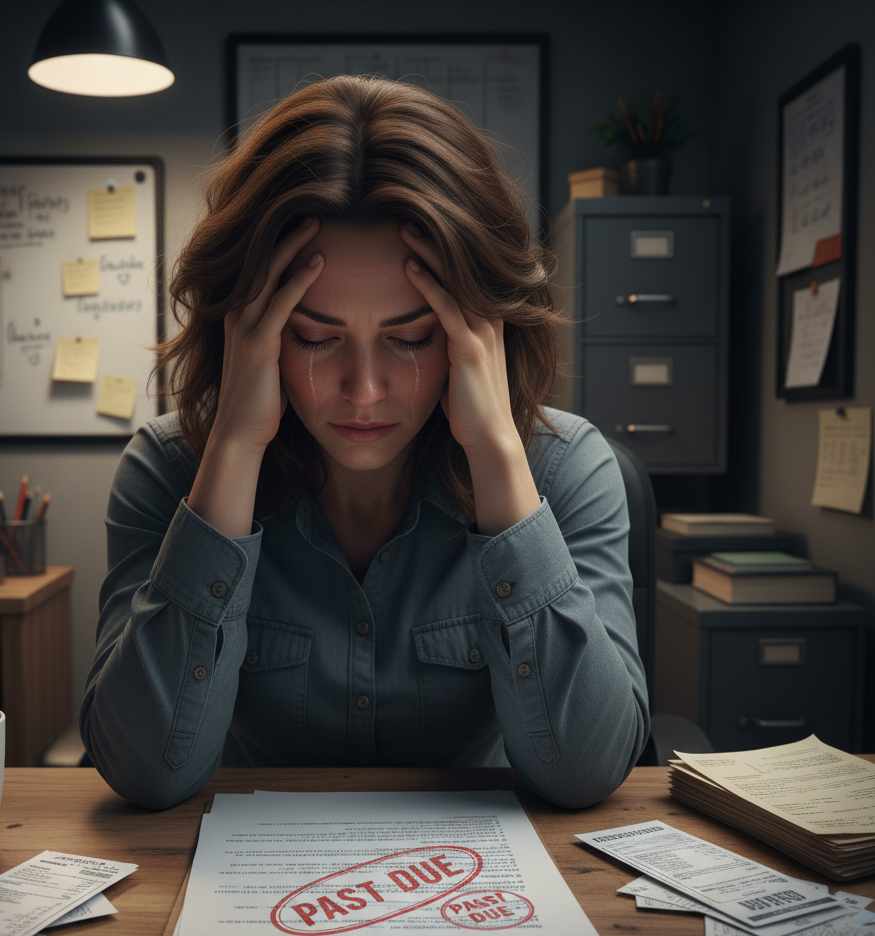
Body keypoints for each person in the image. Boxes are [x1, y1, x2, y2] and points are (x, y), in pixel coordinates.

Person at [80, 75, 649, 811]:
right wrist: (234, 447)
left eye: (411, 337)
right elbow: (145, 774)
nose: (365, 390)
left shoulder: (566, 468)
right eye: (316, 337)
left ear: (477, 333)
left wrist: (497, 456)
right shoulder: (169, 470)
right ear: (248, 333)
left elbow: (588, 772)